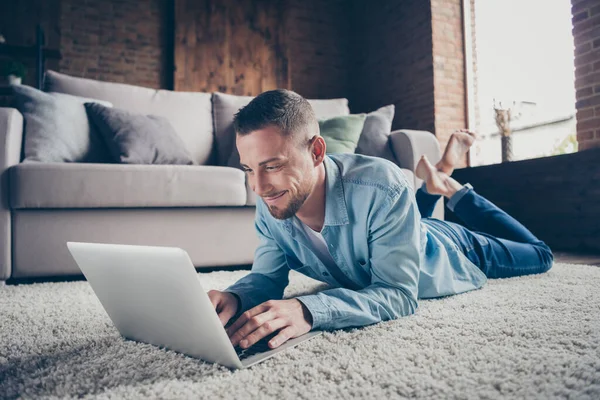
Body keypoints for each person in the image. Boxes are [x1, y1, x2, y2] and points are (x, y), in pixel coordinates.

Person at [207, 89, 553, 352]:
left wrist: (308, 310)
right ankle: (434, 184)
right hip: (402, 229)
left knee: (540, 255)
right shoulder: (273, 198)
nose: (258, 186)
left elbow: (399, 294)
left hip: (452, 248)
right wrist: (234, 298)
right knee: (405, 214)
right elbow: (267, 278)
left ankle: (452, 188)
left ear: (316, 152)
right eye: (249, 169)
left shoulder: (380, 183)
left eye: (273, 165)